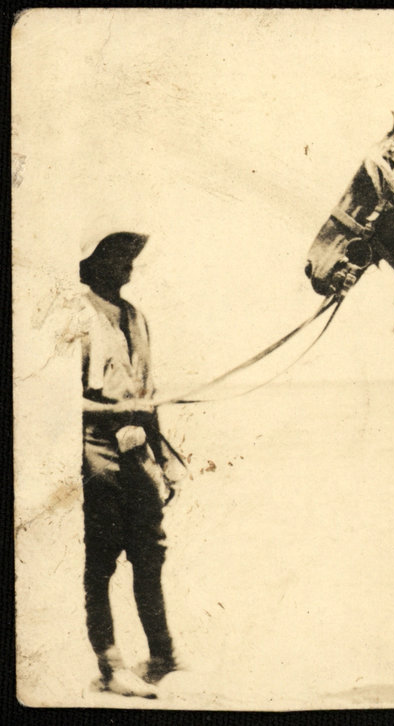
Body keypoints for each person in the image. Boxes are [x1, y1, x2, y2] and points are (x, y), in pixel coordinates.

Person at [78, 231, 180, 697]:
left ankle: (162, 654)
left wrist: (163, 459)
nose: (129, 266)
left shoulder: (136, 317)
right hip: (95, 446)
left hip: (137, 447)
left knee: (150, 551)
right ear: (95, 262)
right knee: (101, 559)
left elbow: (149, 394)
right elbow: (65, 398)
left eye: (131, 257)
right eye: (119, 257)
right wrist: (118, 418)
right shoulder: (78, 316)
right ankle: (110, 664)